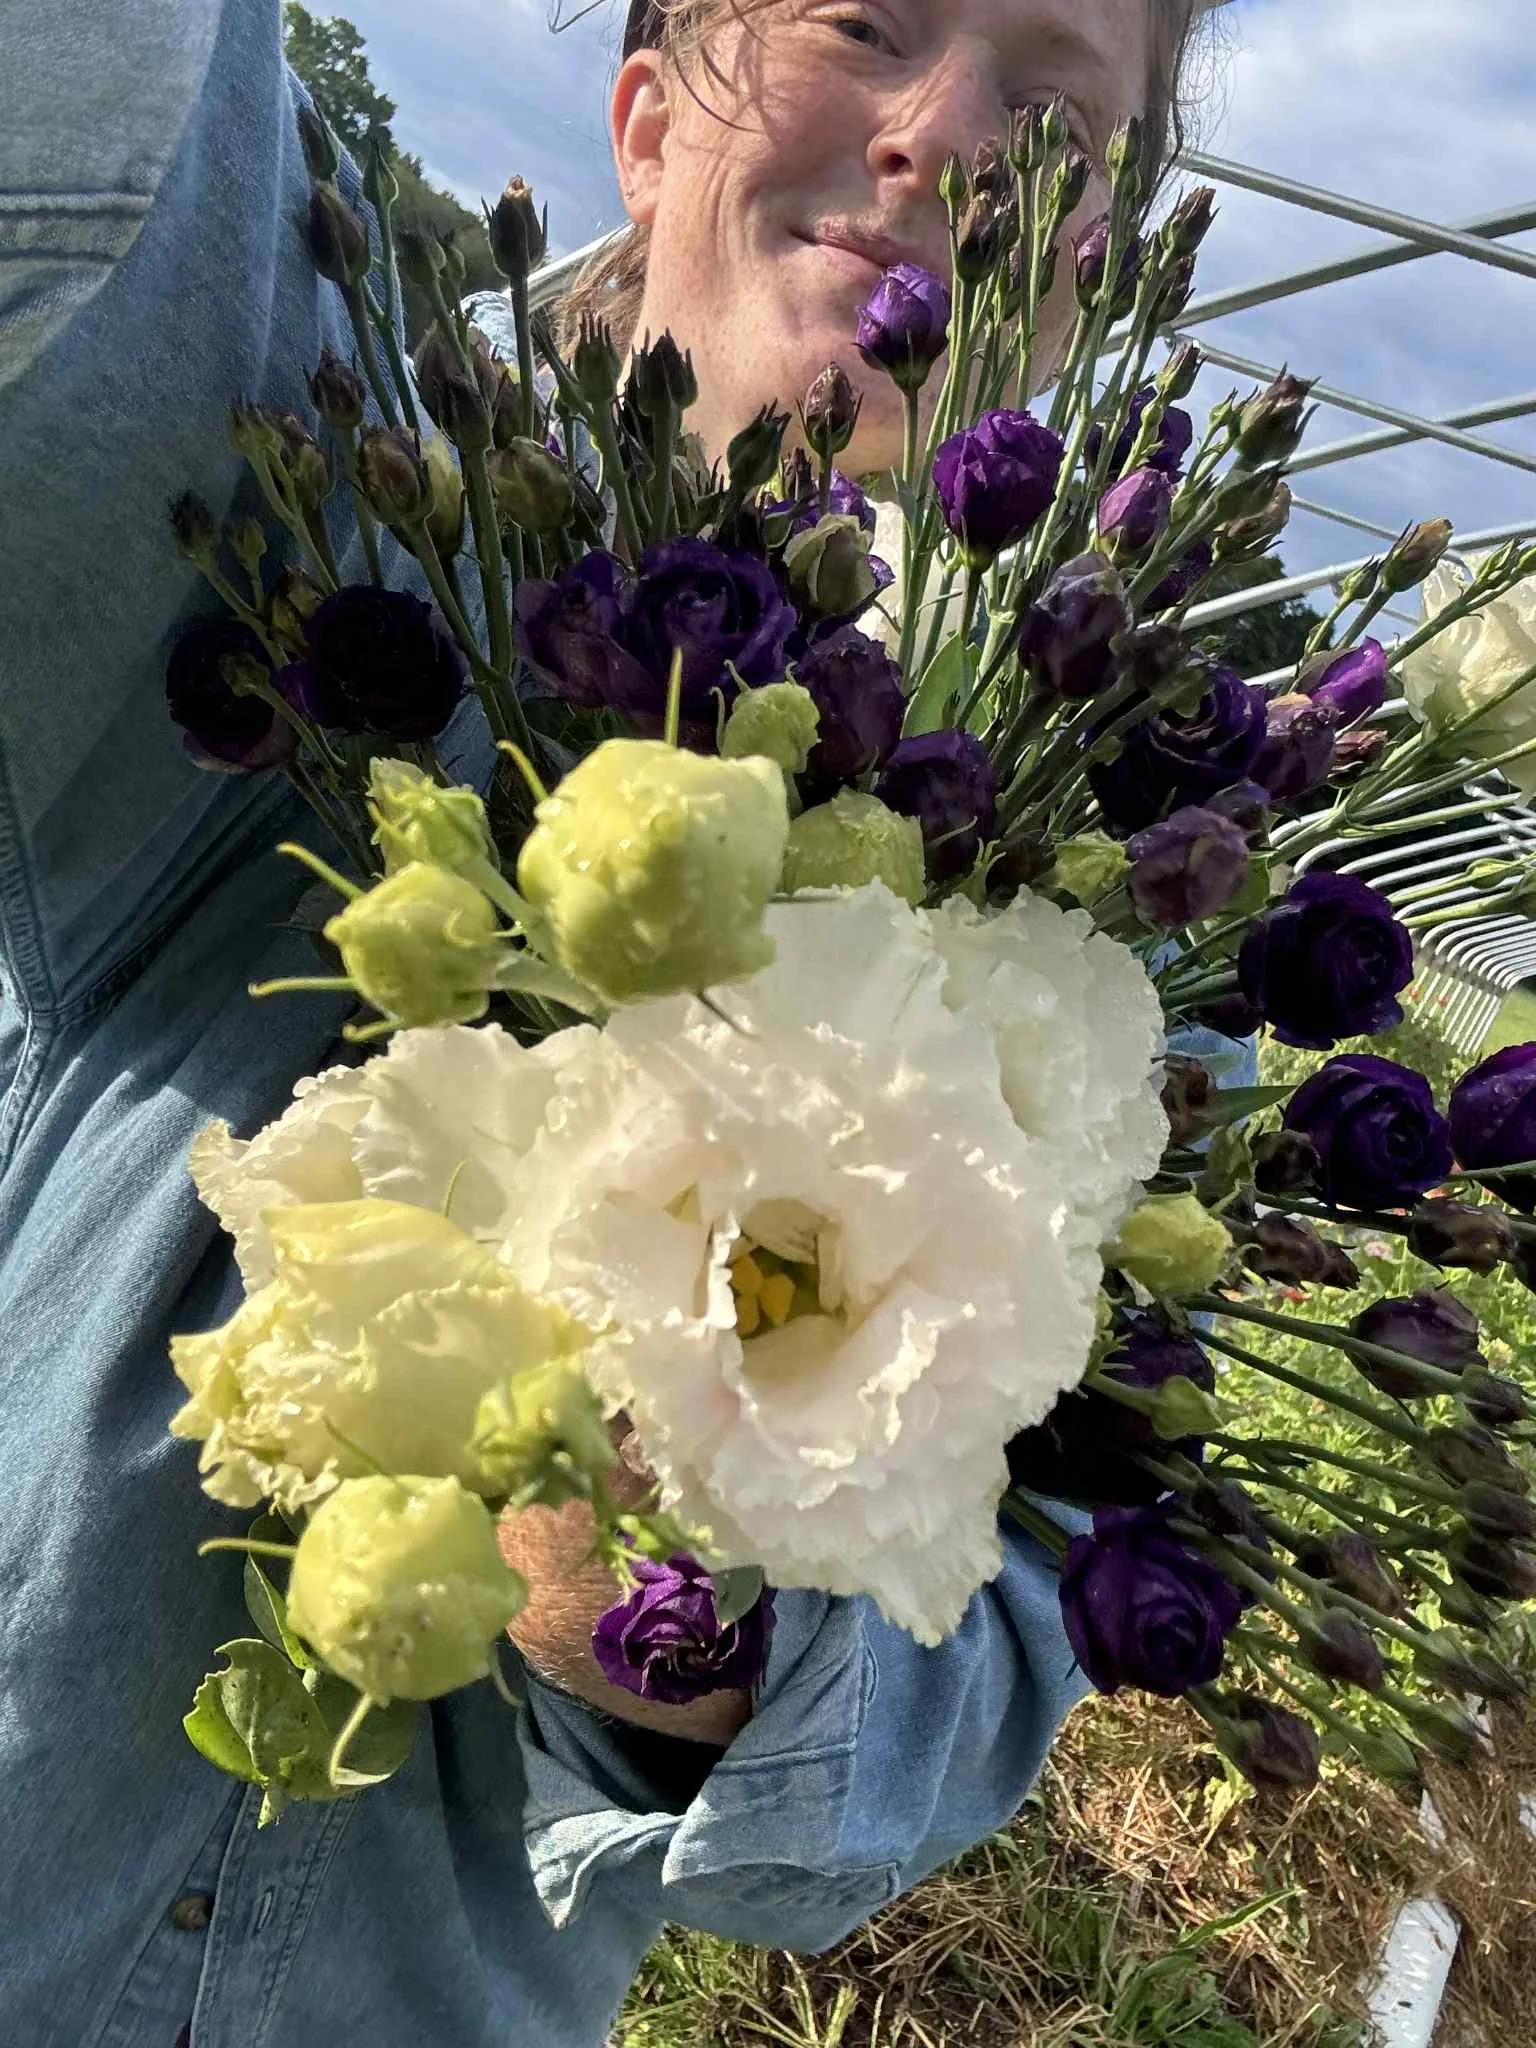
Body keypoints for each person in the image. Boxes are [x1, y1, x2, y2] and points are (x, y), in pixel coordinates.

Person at [0, 3, 1213, 2045]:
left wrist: (666, 1558)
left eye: (1052, 100)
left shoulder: (1124, 937)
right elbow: (111, 122)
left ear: (1090, 266)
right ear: (646, 122)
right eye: (865, 20)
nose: (937, 134)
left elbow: (980, 1660)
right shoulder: (323, 529)